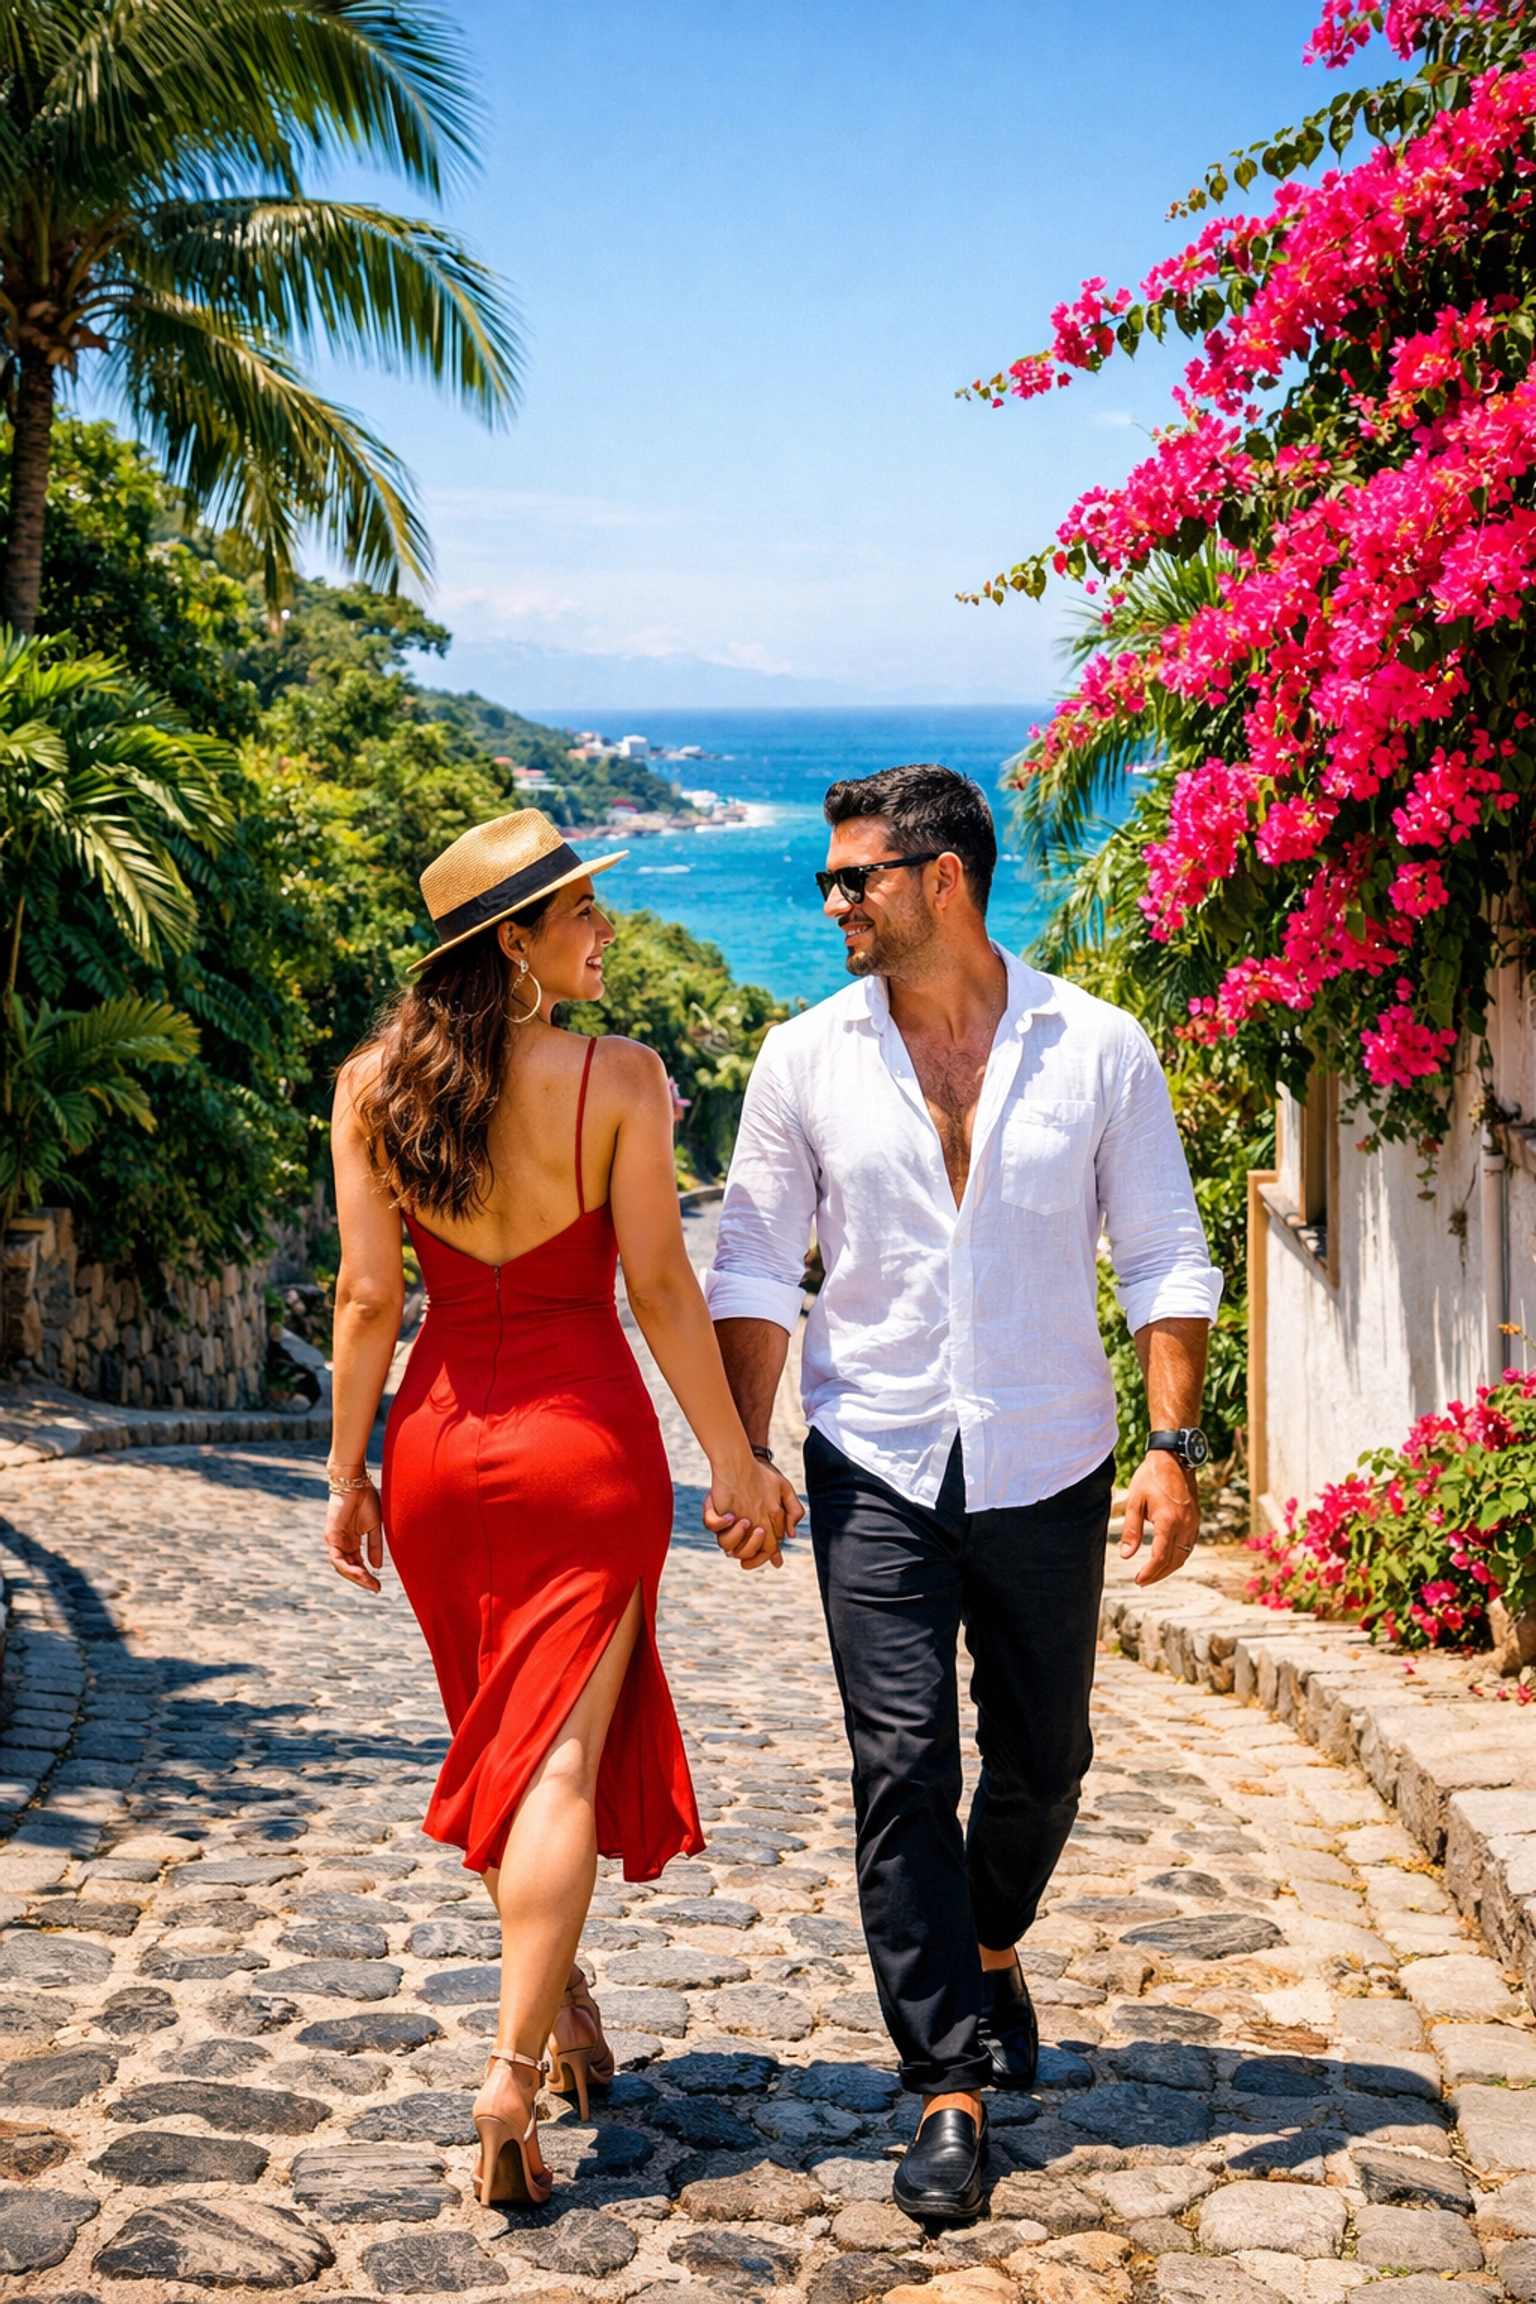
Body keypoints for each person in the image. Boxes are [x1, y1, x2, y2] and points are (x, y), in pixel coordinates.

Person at [704, 764, 1221, 2222]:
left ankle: (989, 1945)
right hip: (870, 1450)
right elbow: (752, 1266)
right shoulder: (803, 1058)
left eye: (854, 878)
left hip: (1049, 1451)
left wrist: (1175, 1453)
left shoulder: (1098, 1048)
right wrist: (746, 1452)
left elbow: (1167, 1257)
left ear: (945, 881)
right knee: (903, 1762)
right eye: (826, 880)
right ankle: (944, 2084)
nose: (831, 904)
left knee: (1046, 1759)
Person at [323, 808, 801, 2211]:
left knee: (503, 1744)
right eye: (581, 912)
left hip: (437, 1455)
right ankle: (513, 2073)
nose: (605, 930)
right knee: (556, 1768)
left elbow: (368, 1301)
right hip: (584, 1452)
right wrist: (736, 1458)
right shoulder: (617, 1080)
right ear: (513, 945)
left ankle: (568, 2005)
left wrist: (346, 1471)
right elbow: (660, 1289)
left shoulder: (370, 1090)